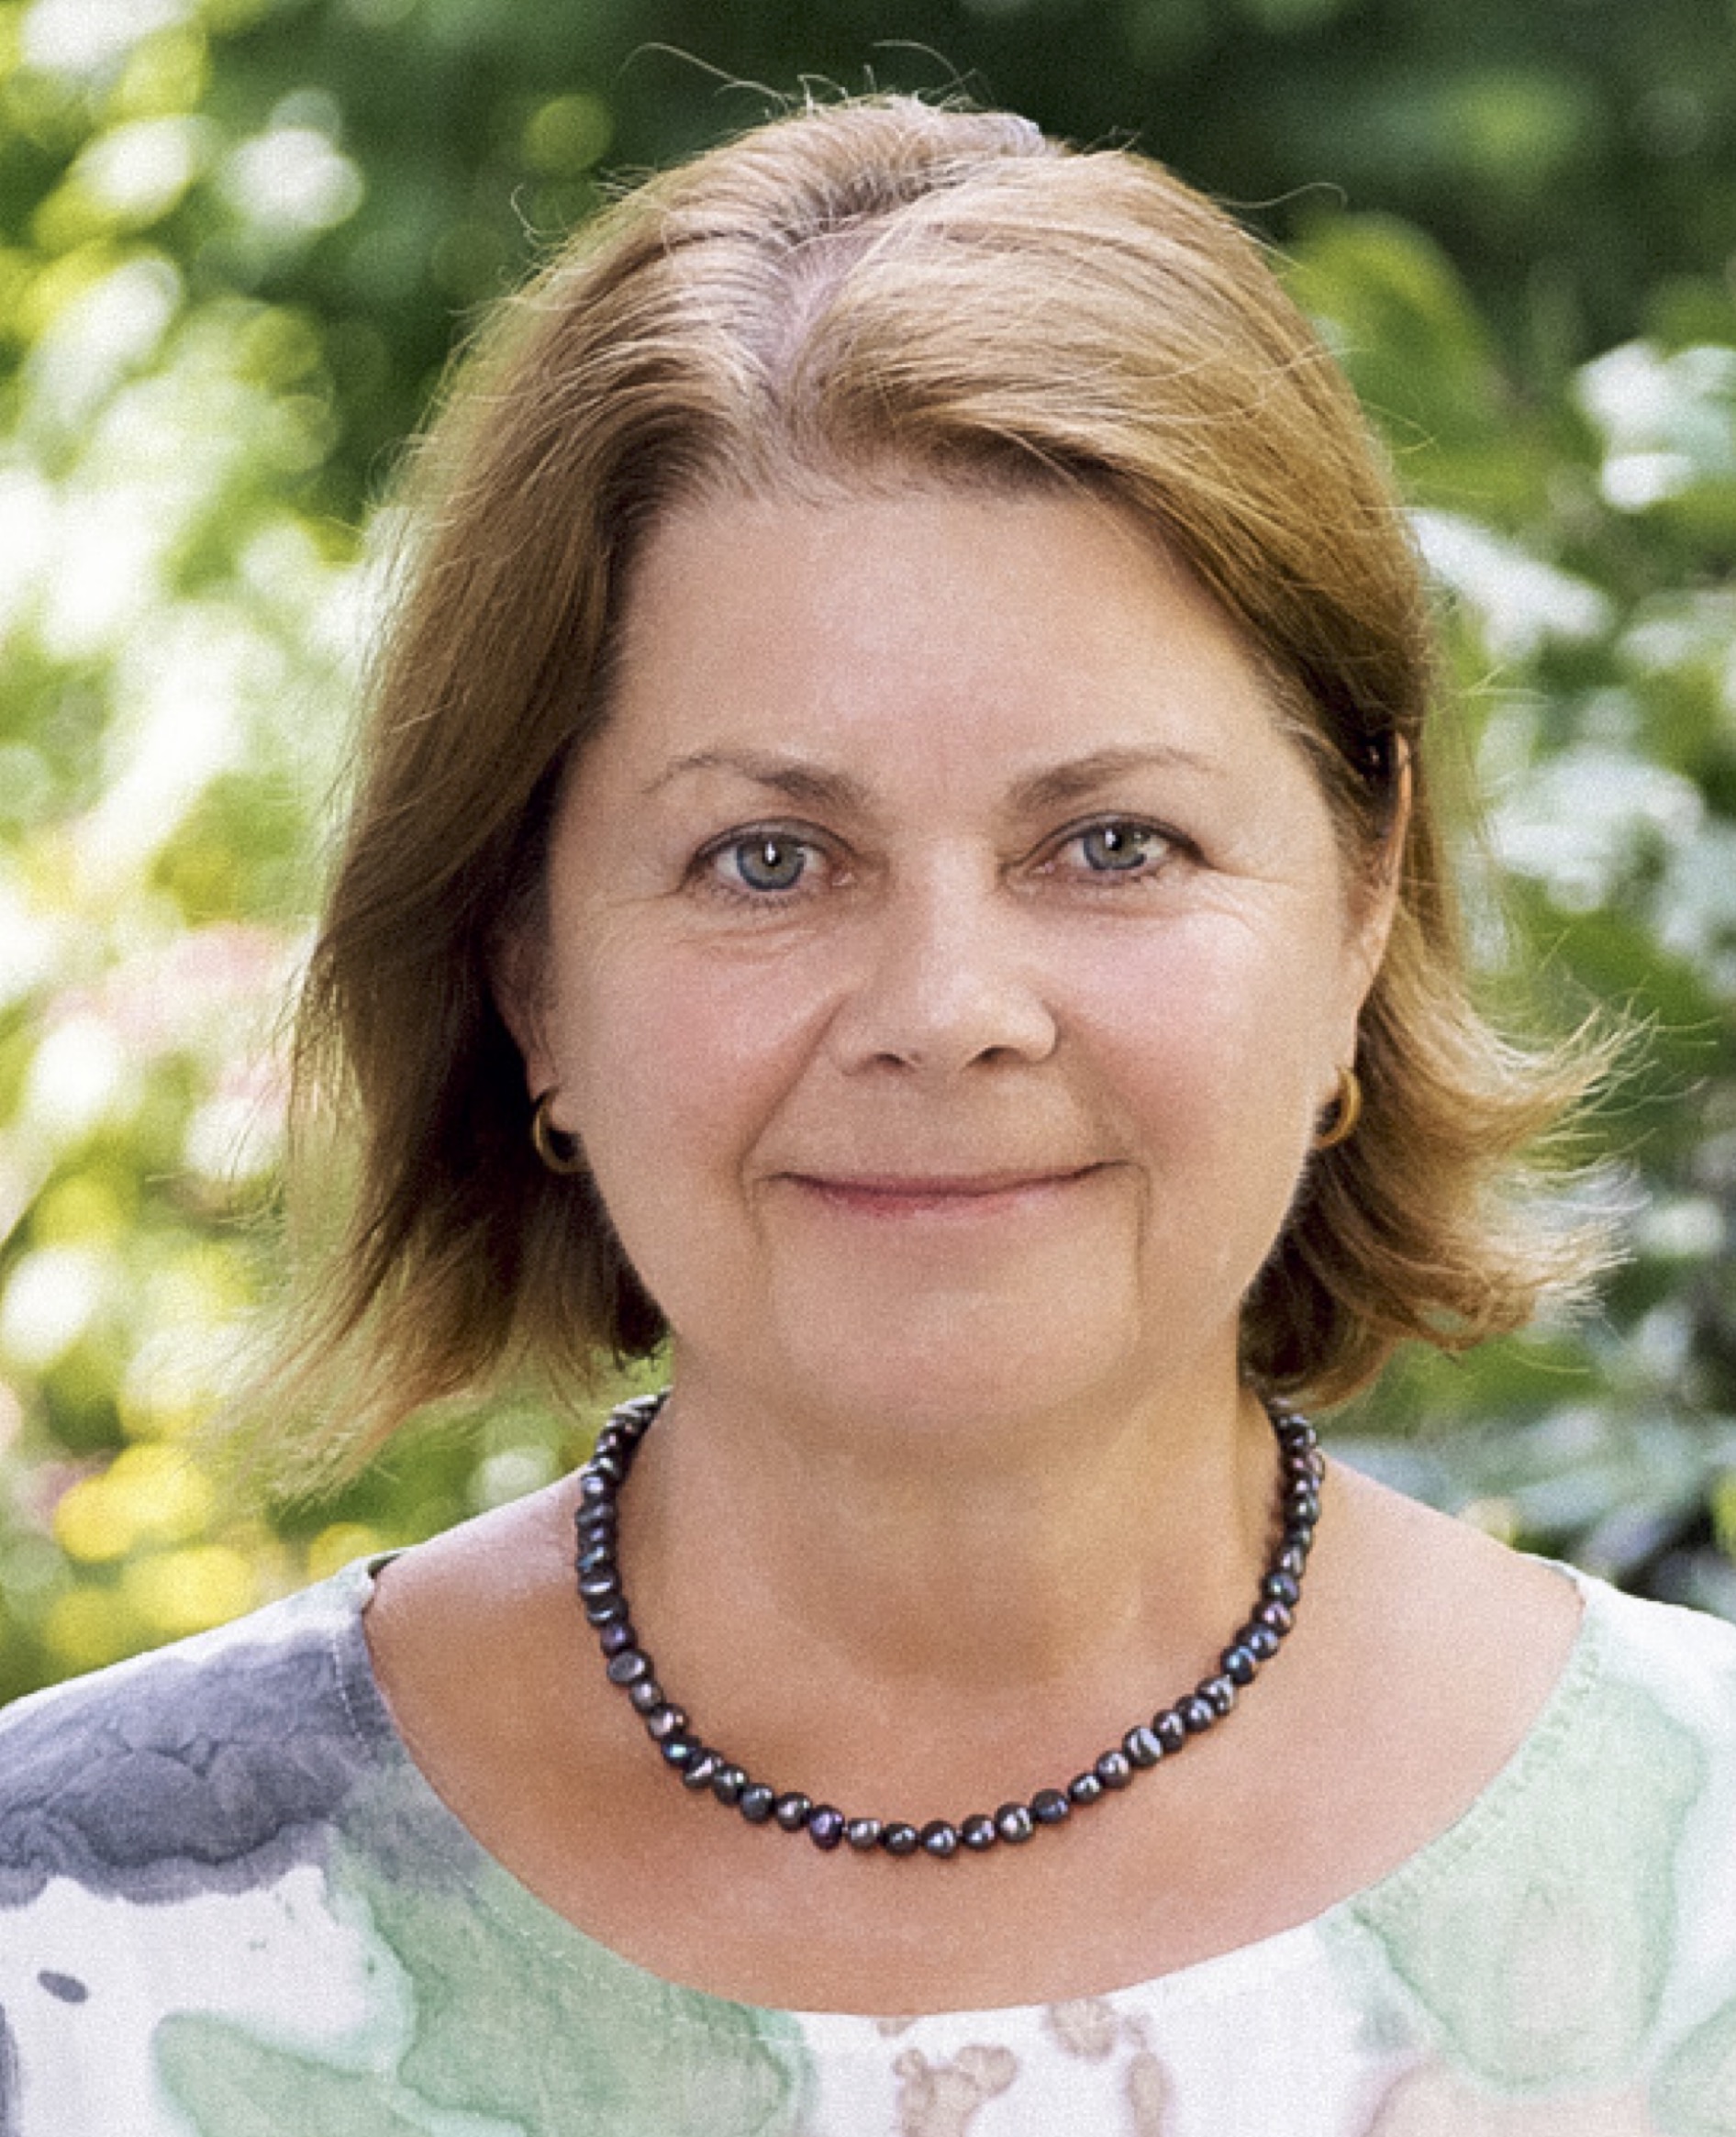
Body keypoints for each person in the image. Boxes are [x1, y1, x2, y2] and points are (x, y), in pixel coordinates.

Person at [3, 93, 1733, 2137]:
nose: (945, 1013)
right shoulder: (71, 1944)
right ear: (525, 964)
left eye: (1112, 841)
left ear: (1360, 902)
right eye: (767, 859)